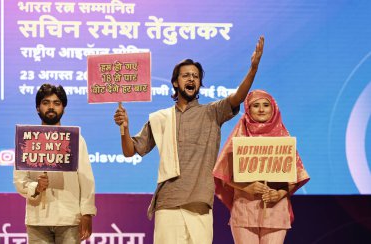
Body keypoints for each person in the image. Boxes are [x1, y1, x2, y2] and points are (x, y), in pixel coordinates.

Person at [114, 36, 264, 244]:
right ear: (176, 82)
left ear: (200, 83)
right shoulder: (160, 118)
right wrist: (124, 128)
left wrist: (253, 69)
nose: (191, 79)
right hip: (168, 204)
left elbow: (237, 97)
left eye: (195, 76)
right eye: (186, 76)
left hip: (199, 206)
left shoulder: (213, 113)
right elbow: (130, 151)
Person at [213, 89, 310, 244]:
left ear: (273, 108)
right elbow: (223, 175)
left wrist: (279, 194)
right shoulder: (239, 135)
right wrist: (247, 187)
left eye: (266, 105)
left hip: (276, 209)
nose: (261, 109)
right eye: (255, 105)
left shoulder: (283, 137)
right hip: (245, 208)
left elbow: (295, 177)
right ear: (248, 109)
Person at [13, 84, 97, 243]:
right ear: (38, 108)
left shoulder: (75, 139)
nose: (51, 107)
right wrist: (35, 187)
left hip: (69, 218)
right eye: (46, 103)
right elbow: (19, 180)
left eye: (56, 103)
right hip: (37, 220)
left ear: (63, 108)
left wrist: (87, 213)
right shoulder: (26, 139)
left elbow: (86, 180)